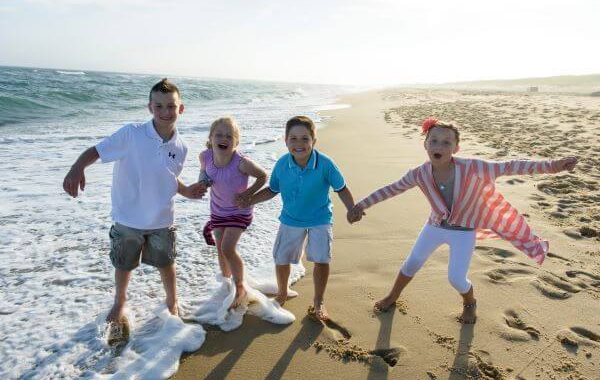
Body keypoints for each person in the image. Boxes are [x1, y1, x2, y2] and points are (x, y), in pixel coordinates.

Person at [349, 117, 578, 324]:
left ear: (456, 148)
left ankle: (469, 302)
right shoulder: (418, 173)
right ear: (425, 145)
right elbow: (391, 189)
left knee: (456, 279)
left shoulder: (473, 167)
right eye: (434, 141)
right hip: (435, 226)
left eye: (446, 143)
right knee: (411, 263)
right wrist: (361, 205)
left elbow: (509, 166)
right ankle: (393, 296)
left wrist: (552, 166)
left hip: (463, 231)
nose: (439, 146)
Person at [62, 78, 206, 341]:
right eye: (159, 106)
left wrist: (187, 191)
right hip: (128, 218)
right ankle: (119, 302)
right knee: (124, 264)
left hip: (162, 218)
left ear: (181, 109)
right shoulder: (132, 133)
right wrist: (77, 167)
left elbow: (169, 178)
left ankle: (172, 300)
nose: (165, 112)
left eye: (171, 107)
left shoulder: (181, 147)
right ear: (150, 107)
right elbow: (96, 150)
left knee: (166, 262)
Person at [240, 115, 358, 321]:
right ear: (285, 141)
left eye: (305, 138)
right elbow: (272, 190)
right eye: (293, 138)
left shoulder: (325, 164)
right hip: (291, 219)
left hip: (320, 219)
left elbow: (341, 188)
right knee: (281, 257)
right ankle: (282, 292)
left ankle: (319, 300)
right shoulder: (282, 164)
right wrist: (250, 200)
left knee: (321, 259)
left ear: (313, 141)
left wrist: (351, 208)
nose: (299, 144)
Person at [200, 116, 267, 309]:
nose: (224, 138)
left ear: (236, 142)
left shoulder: (241, 163)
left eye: (229, 136)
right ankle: (226, 283)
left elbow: (263, 176)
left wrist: (248, 193)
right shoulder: (205, 156)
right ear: (211, 138)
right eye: (219, 135)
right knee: (220, 248)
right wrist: (202, 182)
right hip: (217, 210)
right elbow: (204, 173)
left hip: (239, 211)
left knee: (228, 248)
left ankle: (240, 287)